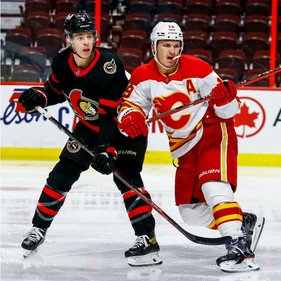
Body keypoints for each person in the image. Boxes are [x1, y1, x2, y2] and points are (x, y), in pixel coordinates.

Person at [18, 12, 161, 267]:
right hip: (88, 127)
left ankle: (146, 238)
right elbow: (55, 90)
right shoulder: (62, 61)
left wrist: (108, 151)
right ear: (69, 40)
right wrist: (39, 96)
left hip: (124, 129)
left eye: (89, 36)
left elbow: (110, 116)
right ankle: (38, 229)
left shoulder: (109, 64)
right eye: (79, 37)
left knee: (127, 180)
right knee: (61, 175)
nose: (85, 42)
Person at [116, 21, 261, 272]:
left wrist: (226, 99)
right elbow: (129, 107)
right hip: (183, 148)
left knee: (213, 187)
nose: (172, 51)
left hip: (212, 131)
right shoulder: (142, 75)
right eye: (166, 45)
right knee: (191, 213)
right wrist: (129, 117)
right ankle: (240, 221)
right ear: (154, 46)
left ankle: (238, 246)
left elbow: (230, 110)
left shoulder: (198, 68)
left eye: (176, 45)